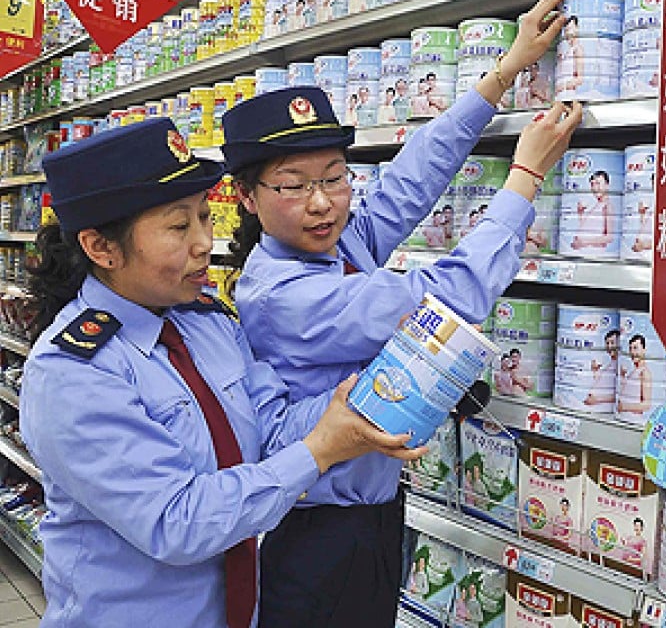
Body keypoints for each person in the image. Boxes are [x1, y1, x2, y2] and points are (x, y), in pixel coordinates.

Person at [222, 0, 581, 628]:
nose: (321, 203)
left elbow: (408, 181)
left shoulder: (334, 242)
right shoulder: (282, 296)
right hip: (320, 536)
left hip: (371, 516)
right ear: (247, 198)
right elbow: (437, 302)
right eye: (293, 185)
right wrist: (525, 176)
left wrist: (502, 74)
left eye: (333, 177)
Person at [19, 119, 424, 627]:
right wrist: (321, 449)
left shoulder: (207, 324)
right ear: (102, 248)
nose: (204, 244)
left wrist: (352, 408)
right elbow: (177, 523)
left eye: (206, 218)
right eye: (177, 226)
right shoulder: (74, 373)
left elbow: (269, 432)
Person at [571, 170, 614, 251]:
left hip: (593, 254)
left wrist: (584, 242)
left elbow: (609, 237)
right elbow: (587, 229)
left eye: (598, 183)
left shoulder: (607, 206)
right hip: (584, 253)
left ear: (607, 185)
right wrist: (580, 213)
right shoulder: (596, 205)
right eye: (592, 184)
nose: (594, 188)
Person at [617, 334, 652, 422]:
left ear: (644, 350)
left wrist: (624, 406)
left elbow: (646, 405)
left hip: (634, 419)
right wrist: (622, 376)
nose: (632, 352)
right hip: (624, 418)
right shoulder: (634, 371)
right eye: (630, 348)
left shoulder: (644, 373)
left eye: (635, 348)